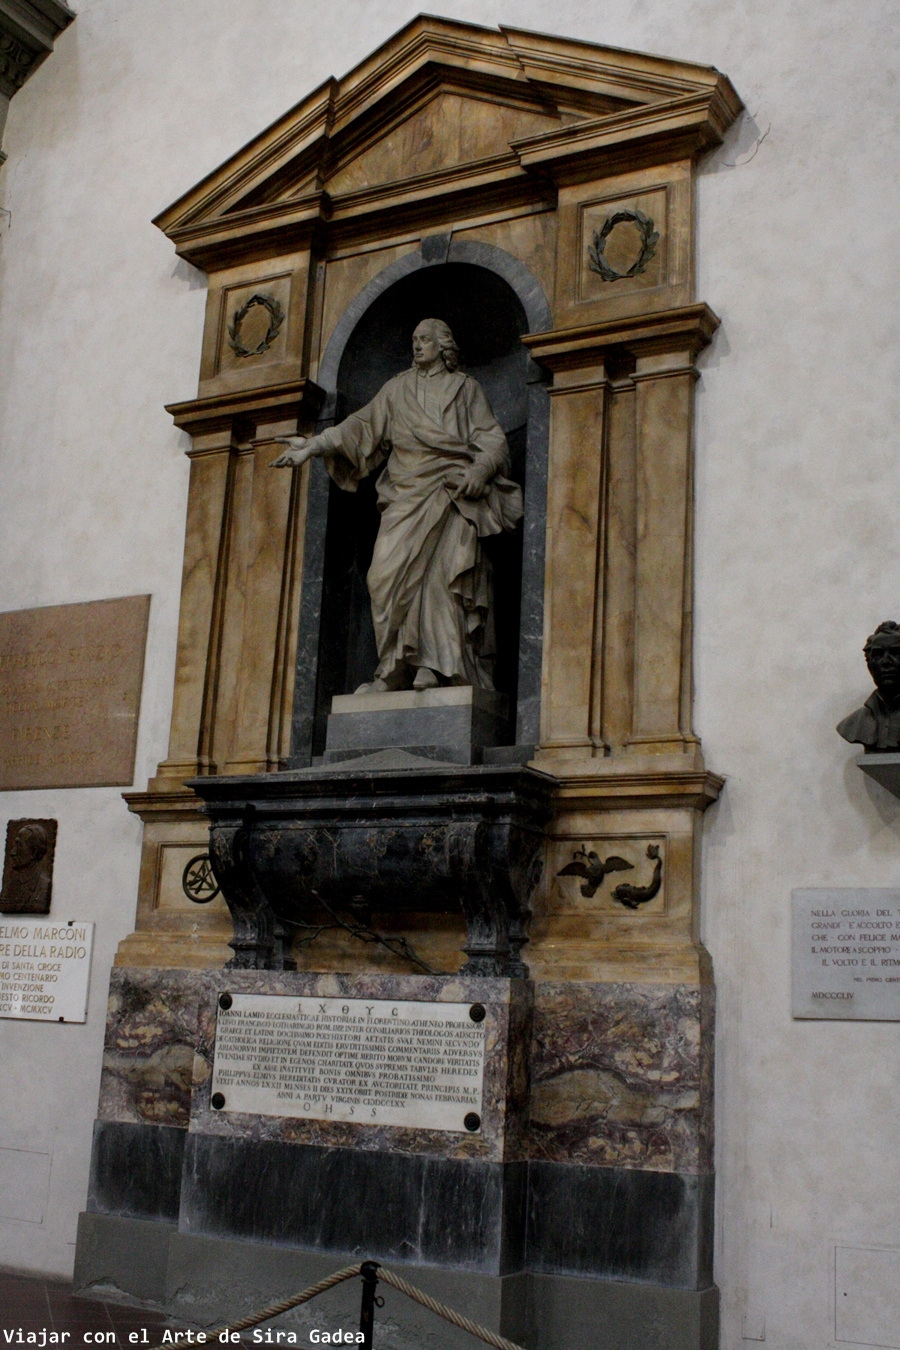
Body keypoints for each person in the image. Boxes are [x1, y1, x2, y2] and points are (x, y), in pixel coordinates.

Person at [273, 318, 523, 693]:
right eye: (414, 339)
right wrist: (314, 445)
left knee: (442, 579)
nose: (417, 346)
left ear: (443, 346)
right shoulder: (396, 390)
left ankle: (436, 665)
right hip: (405, 496)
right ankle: (393, 666)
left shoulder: (464, 389)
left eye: (424, 340)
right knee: (382, 576)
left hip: (450, 493)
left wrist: (480, 472)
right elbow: (360, 426)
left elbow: (494, 441)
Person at [837, 621, 900, 751]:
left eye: (895, 652)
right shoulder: (855, 723)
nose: (886, 661)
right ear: (870, 665)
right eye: (878, 654)